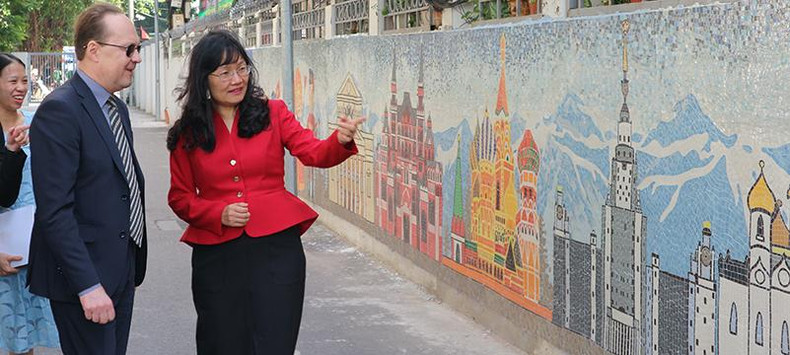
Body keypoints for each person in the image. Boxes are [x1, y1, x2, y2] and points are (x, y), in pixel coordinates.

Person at [167, 29, 363, 354]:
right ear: (204, 79)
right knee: (221, 342)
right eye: (225, 72)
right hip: (217, 255)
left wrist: (339, 141)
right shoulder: (188, 133)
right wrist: (217, 213)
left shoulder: (273, 112)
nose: (237, 79)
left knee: (274, 341)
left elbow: (313, 152)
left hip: (276, 250)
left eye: (242, 68)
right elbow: (179, 197)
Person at [27, 3, 147, 354]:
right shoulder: (60, 110)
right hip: (86, 281)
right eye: (129, 49)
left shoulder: (116, 108)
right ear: (93, 50)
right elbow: (54, 211)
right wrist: (88, 286)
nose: (136, 58)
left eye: (137, 49)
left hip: (120, 268)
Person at [0, 53, 60, 355]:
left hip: (35, 242)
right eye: (13, 81)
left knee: (25, 337)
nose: (21, 87)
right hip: (3, 246)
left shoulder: (38, 124)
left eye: (24, 80)